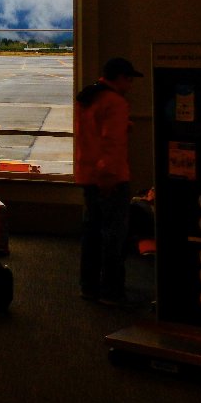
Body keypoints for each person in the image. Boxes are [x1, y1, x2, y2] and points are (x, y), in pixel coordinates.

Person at [75, 56, 142, 305]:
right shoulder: (115, 102)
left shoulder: (88, 97)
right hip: (110, 179)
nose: (131, 86)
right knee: (114, 236)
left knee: (91, 233)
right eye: (129, 80)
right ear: (121, 78)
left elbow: (92, 134)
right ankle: (111, 291)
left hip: (88, 174)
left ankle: (89, 286)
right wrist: (109, 177)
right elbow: (111, 145)